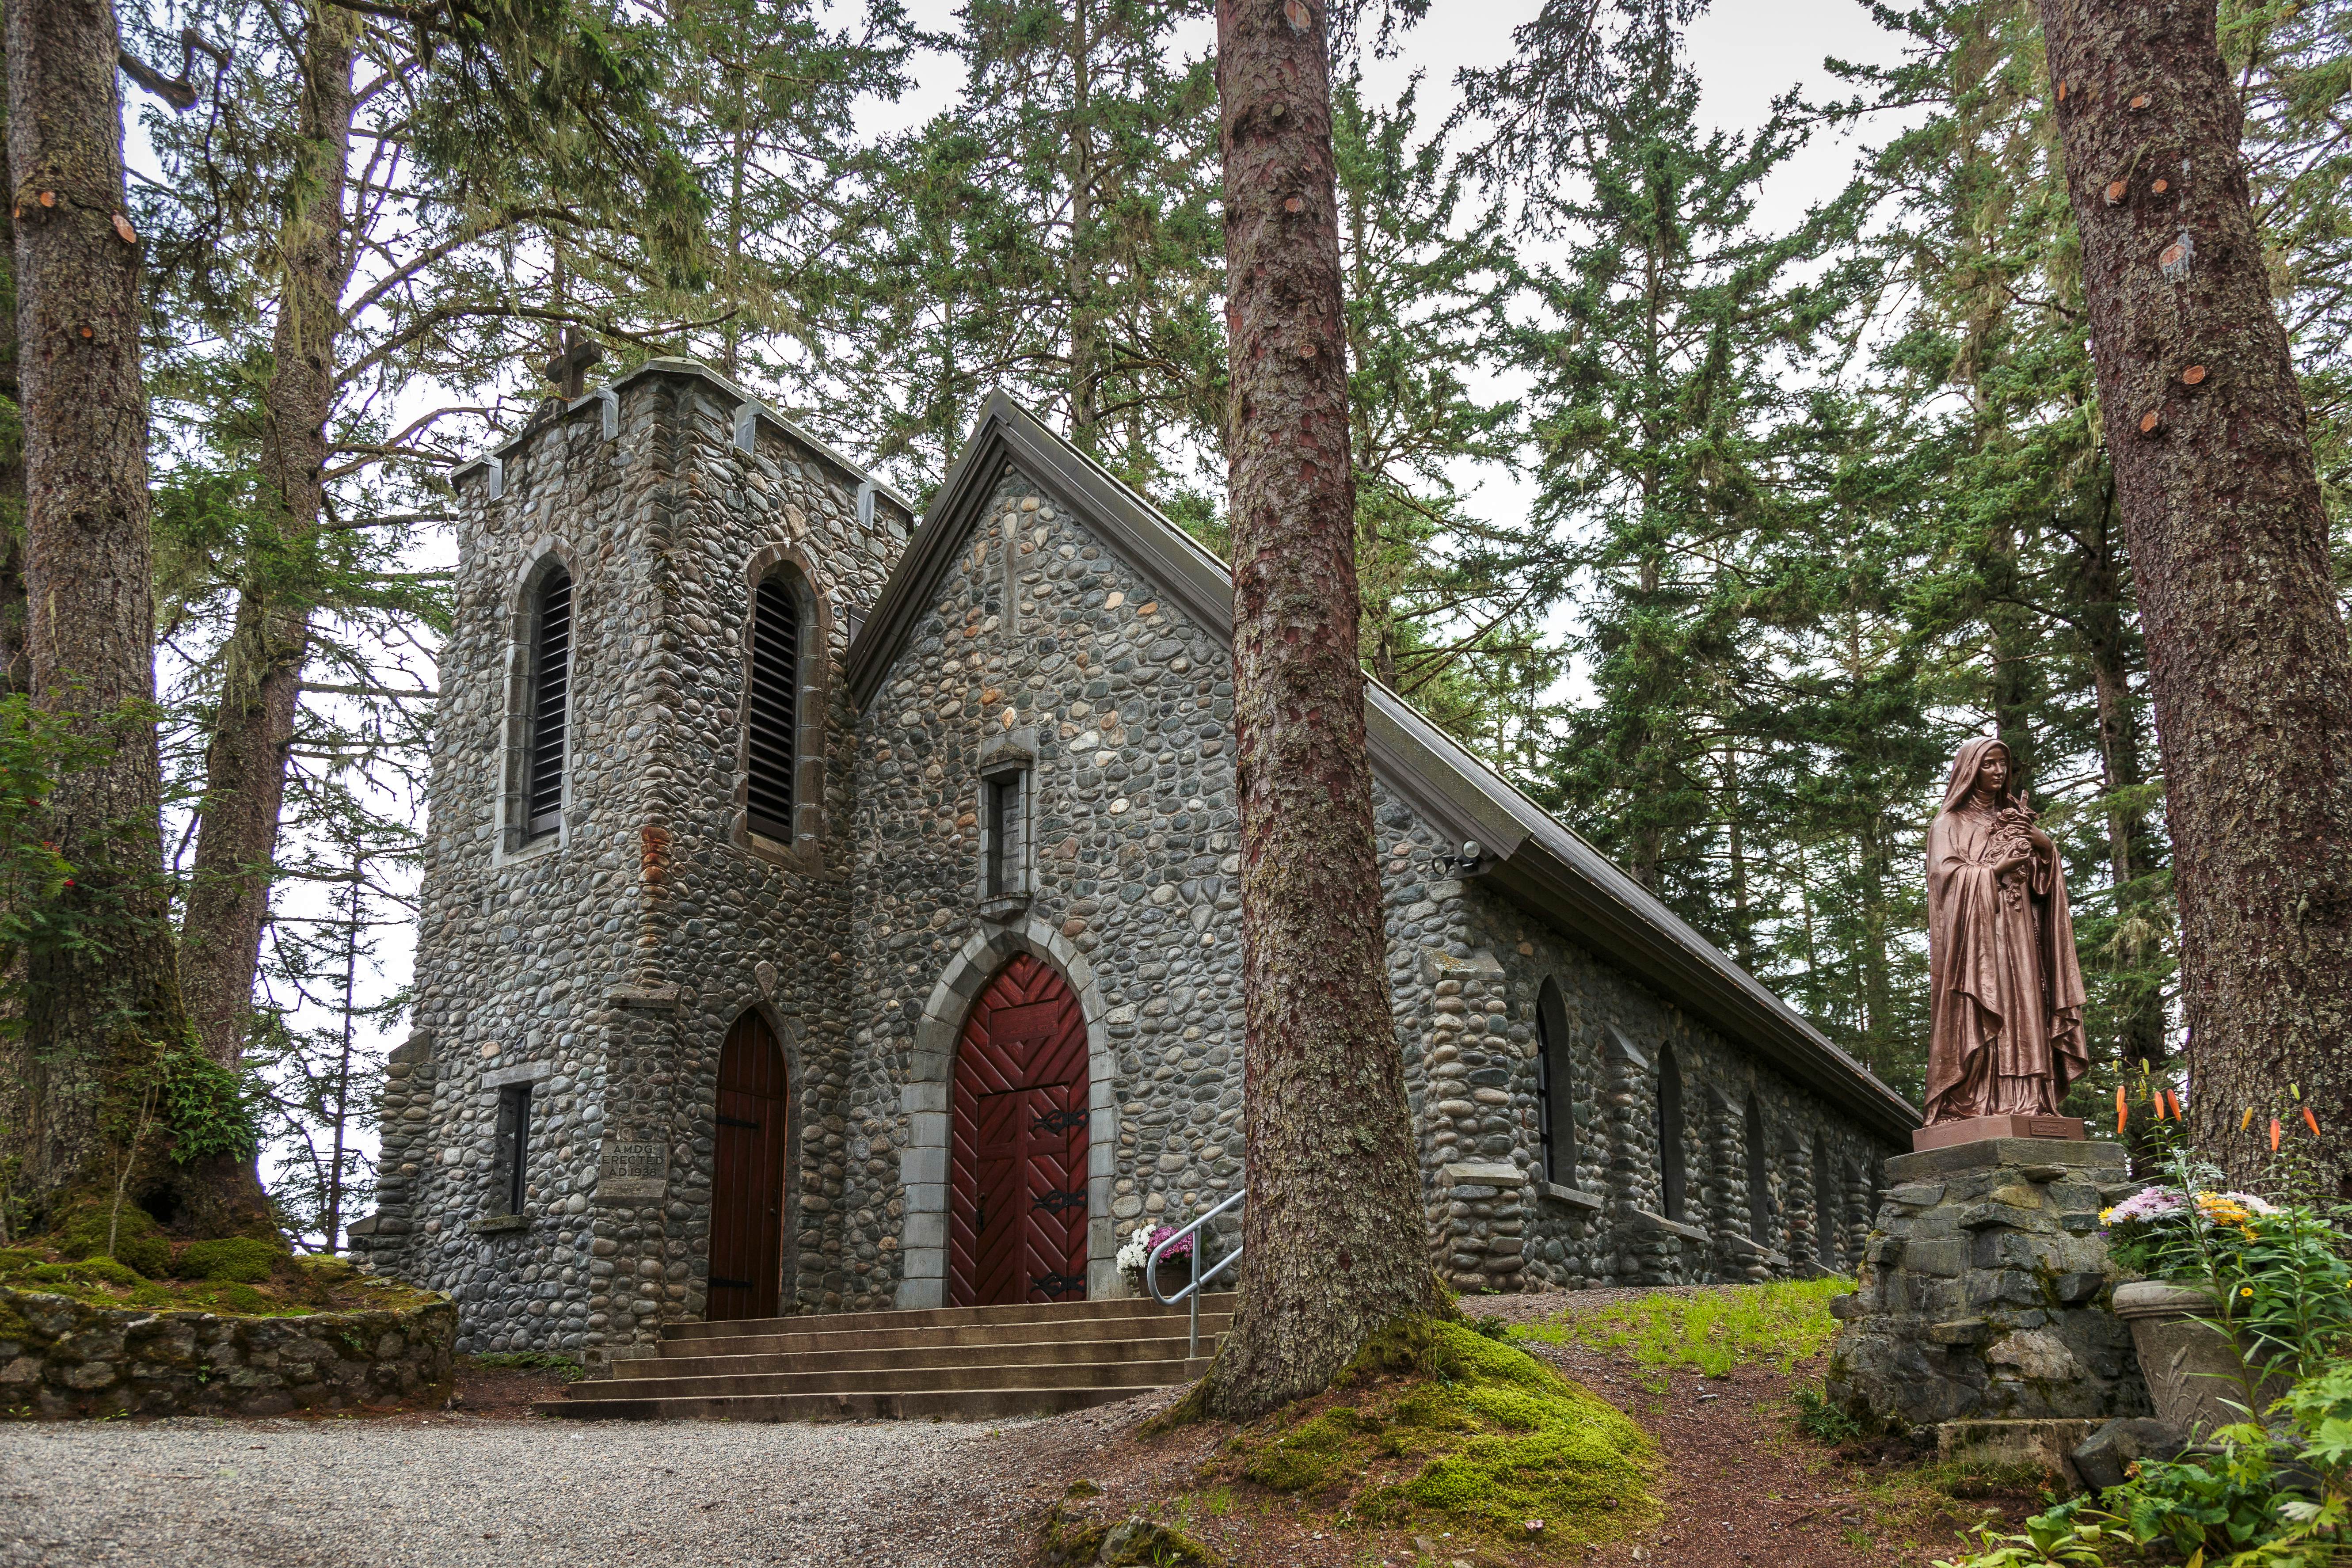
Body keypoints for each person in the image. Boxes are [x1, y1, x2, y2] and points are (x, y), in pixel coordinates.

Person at [1922, 737, 2089, 1123]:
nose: (1998, 772)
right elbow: (1944, 879)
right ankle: (1982, 1100)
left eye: (2003, 765)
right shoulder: (1949, 824)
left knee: (2027, 1006)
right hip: (1978, 942)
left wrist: (2045, 850)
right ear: (1970, 771)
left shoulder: (2017, 819)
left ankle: (2030, 1101)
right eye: (1989, 765)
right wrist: (1993, 872)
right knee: (1987, 1006)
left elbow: (2041, 889)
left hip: (2021, 933)